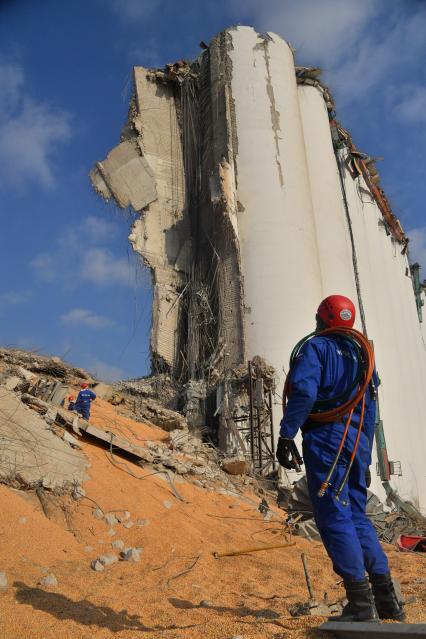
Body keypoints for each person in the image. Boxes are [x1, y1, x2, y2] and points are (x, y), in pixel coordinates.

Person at [276, 295, 404, 623]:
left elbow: (303, 392)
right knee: (357, 515)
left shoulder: (316, 349)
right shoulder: (364, 357)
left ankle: (361, 603)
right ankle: (386, 598)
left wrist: (287, 433)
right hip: (358, 441)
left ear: (321, 319)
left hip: (328, 440)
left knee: (334, 516)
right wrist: (364, 450)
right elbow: (370, 405)